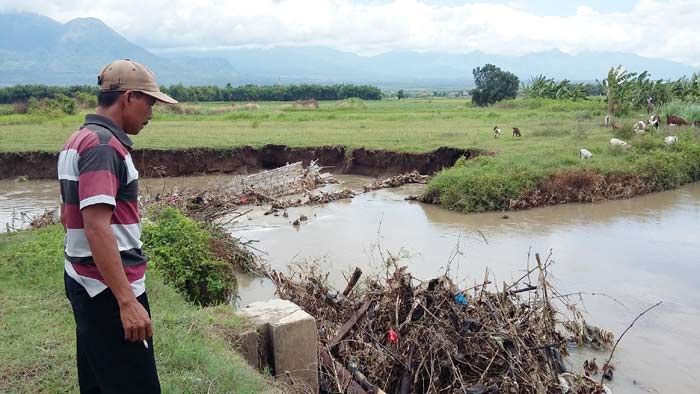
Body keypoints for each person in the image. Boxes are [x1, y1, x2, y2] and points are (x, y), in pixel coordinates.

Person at [58, 59, 177, 393]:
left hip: (85, 282)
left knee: (100, 381)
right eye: (149, 102)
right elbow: (96, 226)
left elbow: (67, 215)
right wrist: (126, 300)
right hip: (108, 291)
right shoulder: (103, 147)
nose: (151, 113)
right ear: (129, 98)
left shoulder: (78, 139)